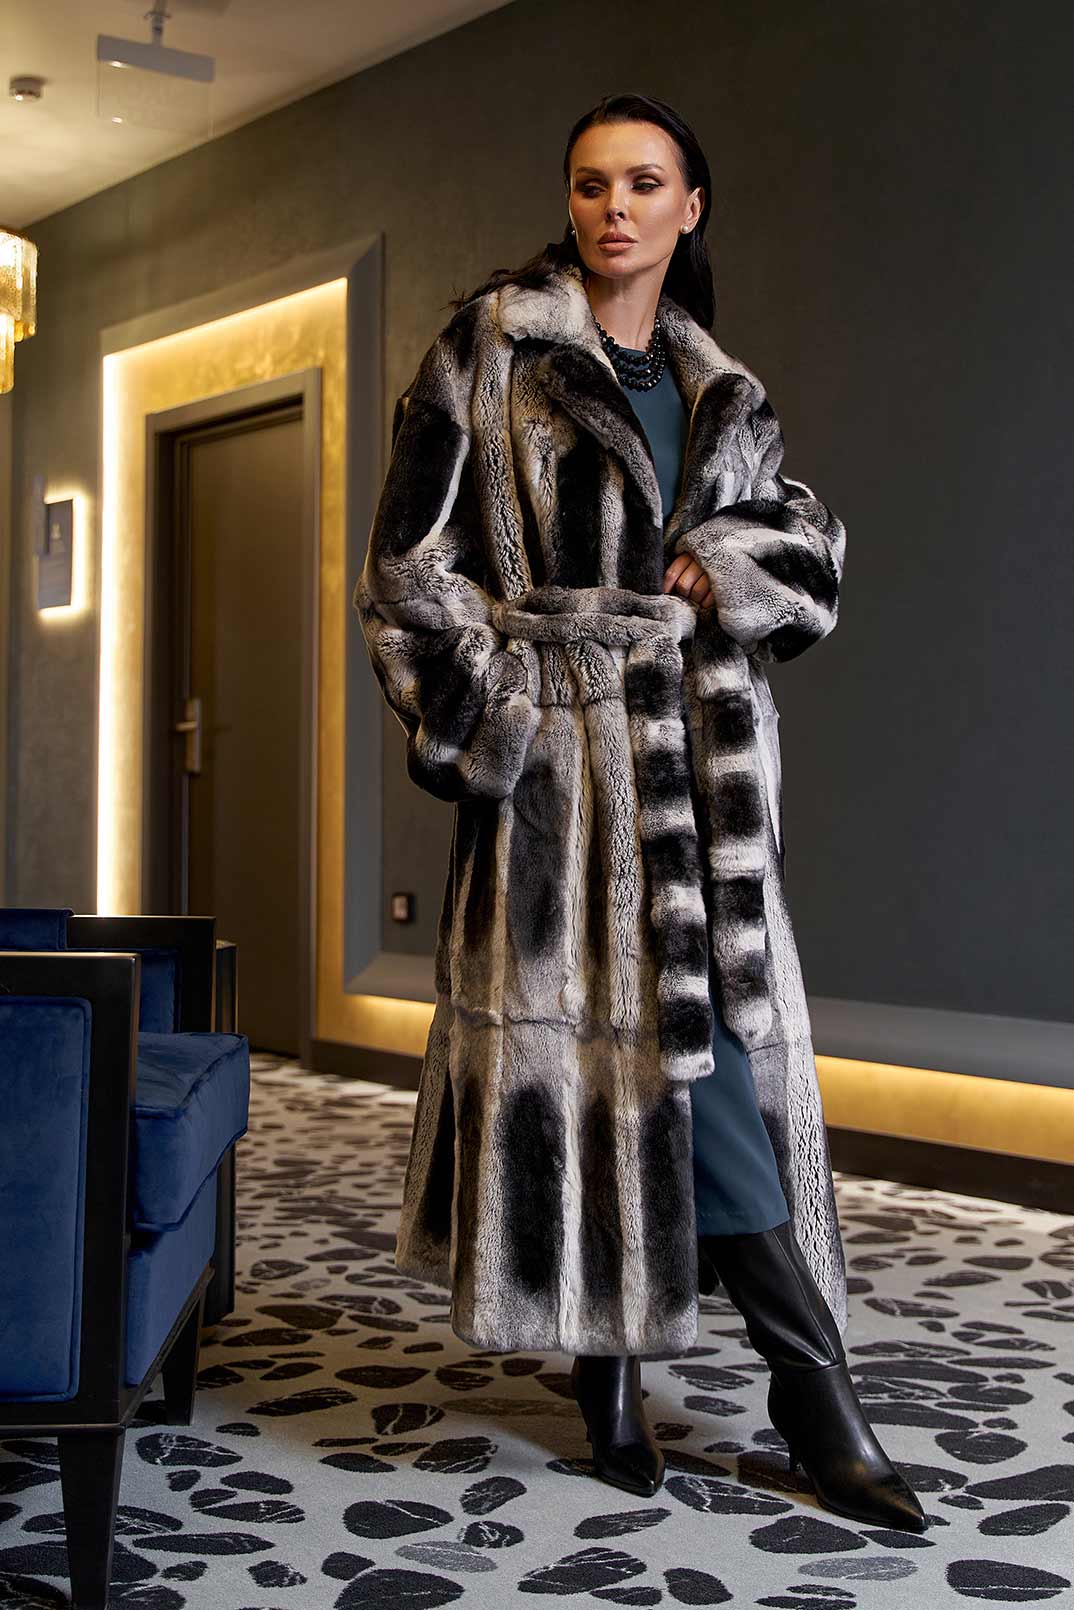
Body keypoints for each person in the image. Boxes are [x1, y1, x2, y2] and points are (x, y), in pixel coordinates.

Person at [355, 92, 925, 1534]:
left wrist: (725, 561)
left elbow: (811, 554)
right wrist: (511, 712)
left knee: (689, 1067)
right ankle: (792, 1394)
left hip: (705, 789)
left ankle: (677, 1379)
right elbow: (408, 571)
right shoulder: (490, 350)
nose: (615, 207)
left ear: (690, 208)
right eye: (591, 182)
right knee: (617, 1075)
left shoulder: (724, 391)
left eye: (645, 183)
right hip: (560, 792)